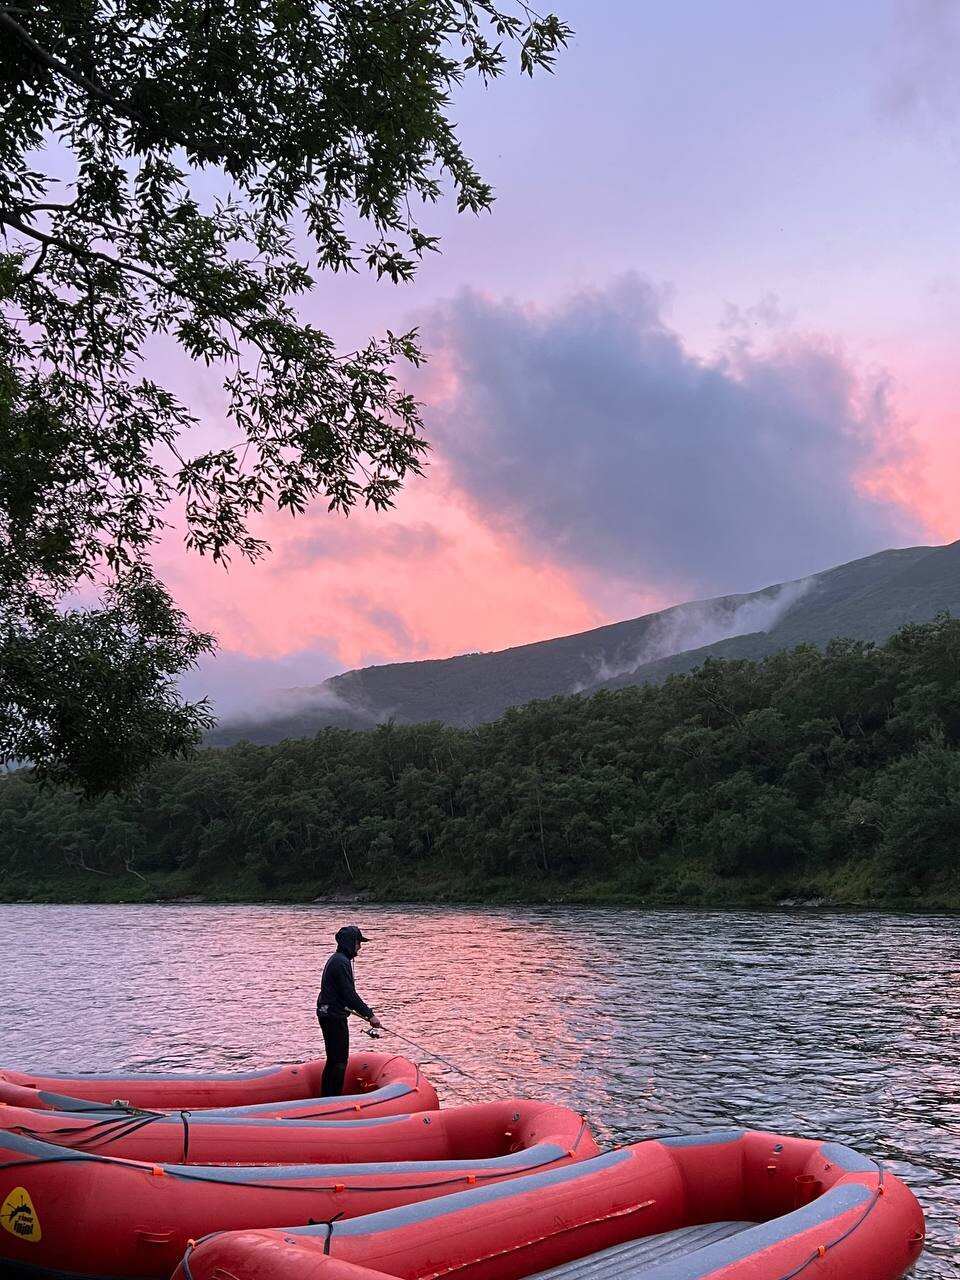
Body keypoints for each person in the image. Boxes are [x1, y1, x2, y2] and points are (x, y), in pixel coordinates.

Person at [316, 924, 381, 1096]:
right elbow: (349, 994)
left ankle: (327, 1097)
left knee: (333, 1060)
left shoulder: (337, 960)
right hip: (333, 1016)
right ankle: (332, 1099)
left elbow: (345, 994)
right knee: (339, 1061)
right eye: (358, 943)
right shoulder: (341, 962)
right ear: (350, 943)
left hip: (328, 1013)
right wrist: (370, 1015)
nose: (360, 947)